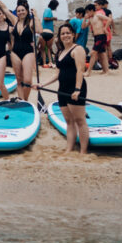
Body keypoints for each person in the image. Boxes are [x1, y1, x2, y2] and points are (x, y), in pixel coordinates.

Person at [37, 22, 89, 154]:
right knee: (69, 121)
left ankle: (83, 151)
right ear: (59, 37)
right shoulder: (60, 52)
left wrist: (77, 89)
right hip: (62, 89)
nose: (65, 36)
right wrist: (42, 85)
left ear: (73, 34)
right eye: (62, 34)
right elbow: (57, 74)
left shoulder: (78, 49)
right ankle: (69, 149)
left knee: (80, 120)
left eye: (68, 33)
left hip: (75, 88)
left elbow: (80, 70)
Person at [8, 0, 39, 101]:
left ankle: (24, 99)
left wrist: (36, 16)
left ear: (26, 11)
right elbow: (3, 7)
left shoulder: (31, 22)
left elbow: (39, 30)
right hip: (15, 52)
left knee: (27, 80)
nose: (21, 12)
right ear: (16, 12)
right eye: (18, 11)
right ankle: (21, 100)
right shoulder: (15, 20)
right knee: (19, 80)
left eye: (23, 10)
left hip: (28, 51)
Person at [86, 0, 111, 75]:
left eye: (87, 12)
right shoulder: (90, 18)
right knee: (102, 54)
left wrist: (105, 28)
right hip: (96, 37)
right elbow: (83, 26)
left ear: (91, 11)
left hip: (101, 36)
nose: (87, 14)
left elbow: (109, 19)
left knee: (93, 53)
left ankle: (88, 71)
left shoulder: (98, 15)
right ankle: (106, 70)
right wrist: (84, 19)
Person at [40, 0, 59, 66]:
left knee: (43, 49)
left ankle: (45, 63)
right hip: (49, 33)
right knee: (48, 48)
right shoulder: (48, 10)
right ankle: (50, 62)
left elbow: (45, 19)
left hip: (44, 32)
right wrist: (53, 18)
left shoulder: (48, 10)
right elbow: (45, 18)